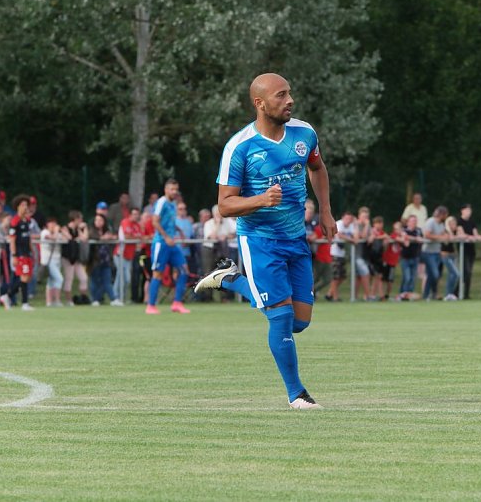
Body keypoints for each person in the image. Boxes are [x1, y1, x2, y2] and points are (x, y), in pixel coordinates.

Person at [194, 72, 337, 409]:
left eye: (289, 93)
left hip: (296, 239)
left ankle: (230, 279)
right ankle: (297, 395)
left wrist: (326, 211)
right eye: (281, 95)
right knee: (281, 317)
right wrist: (261, 199)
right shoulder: (240, 147)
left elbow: (317, 168)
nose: (290, 100)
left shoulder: (304, 133)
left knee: (300, 322)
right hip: (259, 240)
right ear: (259, 103)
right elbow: (225, 205)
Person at [144, 179, 191, 315]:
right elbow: (155, 222)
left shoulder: (173, 203)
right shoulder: (161, 202)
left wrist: (180, 231)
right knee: (157, 273)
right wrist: (166, 237)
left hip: (171, 243)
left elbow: (169, 221)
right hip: (161, 243)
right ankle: (150, 306)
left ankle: (177, 303)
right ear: (166, 190)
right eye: (172, 189)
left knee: (184, 270)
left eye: (176, 189)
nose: (174, 192)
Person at [0, 195, 35, 311]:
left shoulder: (27, 220)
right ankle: (24, 303)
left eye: (26, 205)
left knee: (27, 277)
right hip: (20, 254)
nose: (25, 207)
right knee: (23, 277)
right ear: (17, 207)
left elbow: (28, 237)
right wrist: (14, 255)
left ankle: (7, 296)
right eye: (23, 205)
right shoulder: (15, 221)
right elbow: (12, 240)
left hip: (27, 253)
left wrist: (32, 250)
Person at [88, 213, 121, 306]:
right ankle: (95, 299)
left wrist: (111, 238)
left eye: (100, 220)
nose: (98, 222)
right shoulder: (91, 231)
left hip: (106, 260)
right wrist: (103, 238)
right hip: (95, 260)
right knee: (95, 281)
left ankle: (113, 298)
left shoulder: (107, 231)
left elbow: (113, 238)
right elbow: (93, 238)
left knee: (107, 281)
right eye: (96, 220)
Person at [421, 206, 450, 301]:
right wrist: (440, 237)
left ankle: (426, 295)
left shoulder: (441, 224)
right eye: (445, 215)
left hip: (437, 252)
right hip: (428, 252)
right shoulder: (431, 222)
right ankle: (434, 293)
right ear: (441, 214)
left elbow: (443, 233)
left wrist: (446, 236)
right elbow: (427, 234)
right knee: (435, 274)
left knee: (431, 275)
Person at [62, 211, 90, 306]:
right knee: (69, 278)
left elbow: (85, 238)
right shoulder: (65, 228)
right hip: (68, 257)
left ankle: (83, 298)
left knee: (83, 278)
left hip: (77, 258)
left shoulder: (78, 229)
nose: (81, 221)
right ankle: (69, 300)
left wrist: (83, 228)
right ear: (75, 219)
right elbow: (69, 237)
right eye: (80, 219)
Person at [326, 211, 354, 302]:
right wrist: (350, 239)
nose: (348, 220)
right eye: (346, 218)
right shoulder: (338, 224)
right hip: (335, 253)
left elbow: (355, 236)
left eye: (350, 219)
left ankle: (329, 293)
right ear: (343, 218)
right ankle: (335, 297)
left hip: (343, 254)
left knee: (342, 277)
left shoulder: (351, 226)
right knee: (336, 276)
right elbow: (339, 235)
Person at [40, 217, 65, 307]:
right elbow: (52, 238)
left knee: (51, 281)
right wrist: (56, 231)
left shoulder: (58, 233)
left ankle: (49, 302)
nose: (53, 225)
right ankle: (56, 300)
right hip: (48, 260)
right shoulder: (44, 232)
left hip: (57, 259)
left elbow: (67, 239)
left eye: (54, 223)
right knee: (59, 279)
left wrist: (63, 231)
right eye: (51, 223)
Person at [456, 204, 479, 299]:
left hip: (471, 250)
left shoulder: (472, 222)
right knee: (465, 272)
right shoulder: (459, 221)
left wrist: (476, 237)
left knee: (469, 273)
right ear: (462, 211)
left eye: (470, 210)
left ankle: (466, 294)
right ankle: (456, 292)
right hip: (463, 250)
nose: (469, 212)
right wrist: (470, 237)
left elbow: (475, 234)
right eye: (467, 210)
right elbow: (461, 233)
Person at [398, 215, 423, 301]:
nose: (414, 223)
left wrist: (417, 239)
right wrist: (415, 239)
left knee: (412, 278)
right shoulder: (404, 230)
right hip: (405, 257)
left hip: (415, 257)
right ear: (408, 222)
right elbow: (405, 237)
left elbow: (421, 239)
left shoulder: (418, 230)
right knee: (407, 277)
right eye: (412, 221)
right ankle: (404, 295)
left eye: (415, 221)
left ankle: (409, 295)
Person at [366, 215, 388, 300]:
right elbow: (370, 240)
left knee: (379, 276)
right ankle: (370, 294)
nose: (380, 225)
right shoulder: (371, 231)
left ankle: (378, 295)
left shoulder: (382, 232)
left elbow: (386, 238)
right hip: (371, 257)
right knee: (373, 276)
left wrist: (384, 241)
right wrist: (381, 237)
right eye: (378, 223)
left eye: (381, 223)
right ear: (374, 224)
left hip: (379, 257)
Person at [441, 216, 460, 301]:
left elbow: (461, 236)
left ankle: (449, 294)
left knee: (451, 275)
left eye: (454, 223)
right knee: (456, 274)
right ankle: (448, 293)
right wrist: (450, 231)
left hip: (453, 256)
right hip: (446, 255)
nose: (454, 225)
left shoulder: (456, 231)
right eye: (451, 224)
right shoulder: (445, 231)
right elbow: (449, 240)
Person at [382, 221, 403, 300]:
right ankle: (382, 295)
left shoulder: (402, 235)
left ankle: (387, 295)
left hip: (393, 262)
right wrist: (403, 237)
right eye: (395, 229)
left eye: (398, 229)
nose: (397, 231)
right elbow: (398, 239)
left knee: (390, 280)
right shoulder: (393, 235)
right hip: (387, 261)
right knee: (384, 279)